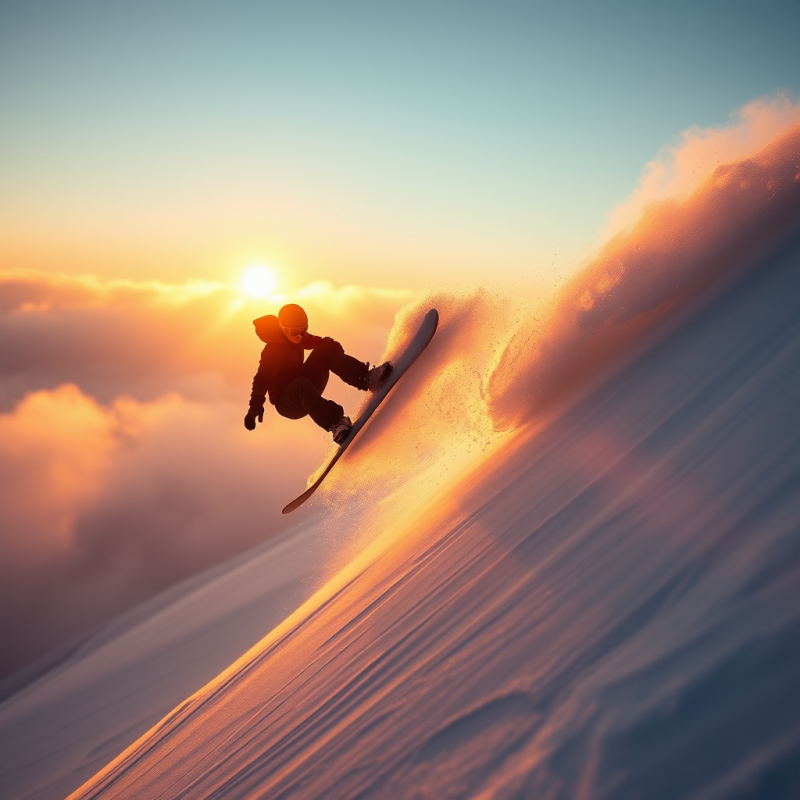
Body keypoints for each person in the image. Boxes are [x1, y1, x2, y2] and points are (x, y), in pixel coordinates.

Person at [244, 303, 392, 443]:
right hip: (287, 403)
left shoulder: (296, 337)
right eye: (294, 332)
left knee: (323, 351)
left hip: (305, 385)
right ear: (282, 328)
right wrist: (255, 406)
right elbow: (262, 378)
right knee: (300, 385)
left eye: (303, 329)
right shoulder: (273, 352)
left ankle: (366, 378)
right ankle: (336, 423)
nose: (299, 336)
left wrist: (329, 343)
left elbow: (312, 340)